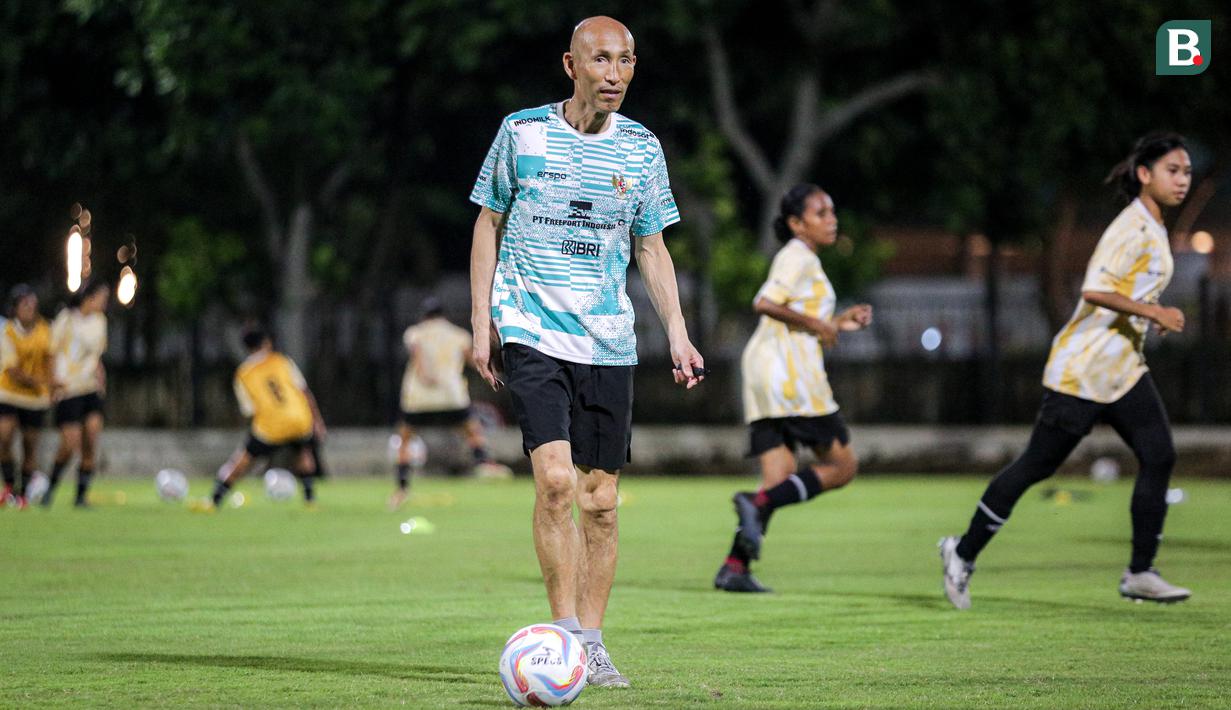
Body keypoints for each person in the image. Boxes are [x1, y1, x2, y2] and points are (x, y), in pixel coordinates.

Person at [469, 16, 703, 689]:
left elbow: (651, 248)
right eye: (601, 59)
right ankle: (563, 638)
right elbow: (488, 222)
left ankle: (593, 642)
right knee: (555, 483)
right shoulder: (522, 133)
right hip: (530, 326)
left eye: (626, 60)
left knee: (600, 501)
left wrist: (678, 333)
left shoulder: (640, 150)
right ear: (569, 64)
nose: (615, 73)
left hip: (607, 338)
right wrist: (482, 322)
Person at [939, 132, 1194, 608]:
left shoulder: (1154, 225)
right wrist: (1155, 313)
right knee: (1037, 465)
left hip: (1122, 369)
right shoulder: (1131, 228)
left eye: (1186, 172)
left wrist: (1144, 315)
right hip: (1084, 370)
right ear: (1145, 174)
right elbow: (1094, 290)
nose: (1182, 180)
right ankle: (962, 550)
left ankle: (1140, 572)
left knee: (1159, 455)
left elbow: (1125, 294)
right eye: (1172, 171)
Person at [713, 184, 873, 593]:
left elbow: (792, 319)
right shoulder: (796, 256)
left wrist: (836, 322)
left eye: (831, 210)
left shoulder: (805, 260)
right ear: (796, 224)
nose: (831, 219)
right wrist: (820, 325)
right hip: (790, 376)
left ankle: (735, 567)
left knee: (779, 476)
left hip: (768, 373)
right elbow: (764, 303)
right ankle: (755, 505)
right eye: (820, 213)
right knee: (843, 466)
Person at [389, 297, 510, 510]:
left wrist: (425, 375)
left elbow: (417, 356)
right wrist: (492, 373)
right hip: (452, 396)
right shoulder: (457, 334)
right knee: (472, 430)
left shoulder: (415, 332)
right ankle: (483, 464)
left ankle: (401, 489)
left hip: (419, 398)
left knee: (405, 439)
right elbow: (473, 360)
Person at [197, 326, 326, 511]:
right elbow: (304, 391)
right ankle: (310, 500)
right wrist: (317, 420)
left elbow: (249, 410)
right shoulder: (281, 361)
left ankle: (214, 500)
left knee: (241, 461)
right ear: (266, 342)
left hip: (271, 426)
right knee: (303, 454)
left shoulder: (243, 373)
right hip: (299, 418)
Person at [43, 280, 110, 507]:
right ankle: (49, 490)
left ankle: (80, 496)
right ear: (89, 298)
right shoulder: (66, 318)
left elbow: (96, 355)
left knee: (91, 439)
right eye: (102, 297)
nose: (105, 303)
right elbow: (52, 352)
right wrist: (52, 382)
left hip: (90, 388)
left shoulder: (100, 322)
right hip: (68, 387)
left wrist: (101, 375)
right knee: (69, 445)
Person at [0, 285, 54, 508]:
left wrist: (52, 385)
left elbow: (51, 360)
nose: (30, 309)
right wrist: (44, 382)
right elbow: (12, 370)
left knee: (30, 445)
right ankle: (10, 486)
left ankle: (22, 494)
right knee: (4, 438)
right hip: (9, 394)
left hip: (35, 399)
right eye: (25, 305)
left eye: (33, 305)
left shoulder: (45, 330)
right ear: (15, 309)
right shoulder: (7, 331)